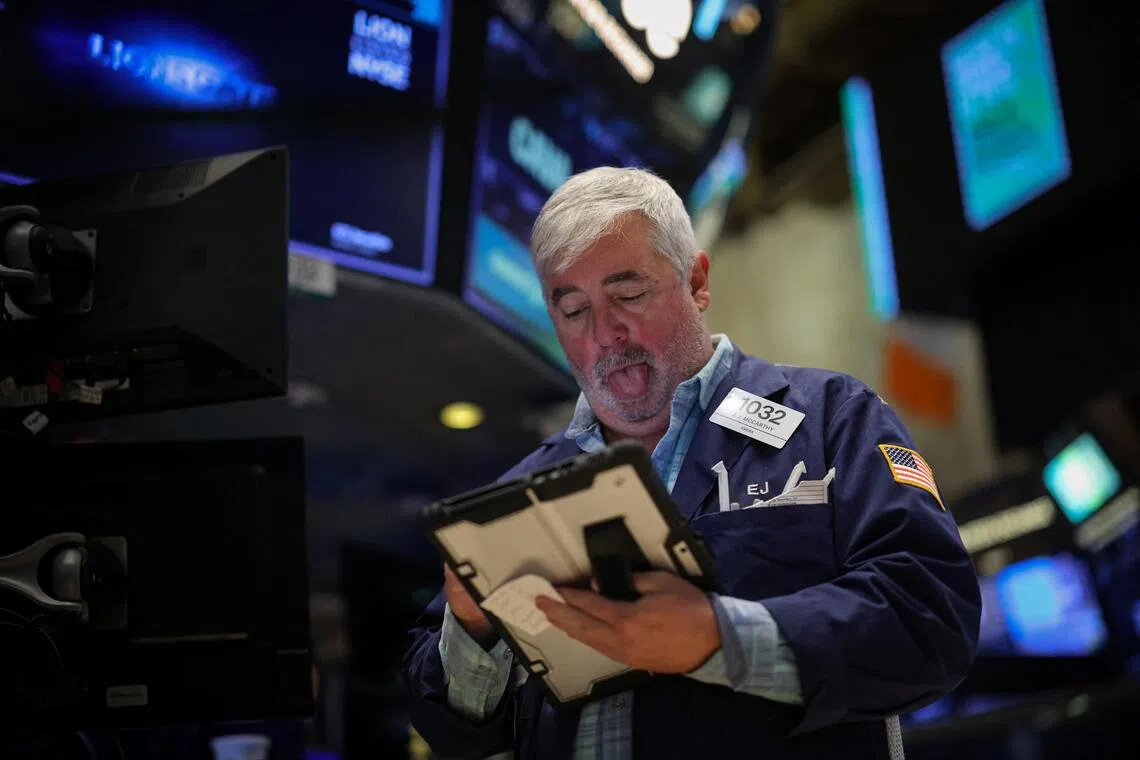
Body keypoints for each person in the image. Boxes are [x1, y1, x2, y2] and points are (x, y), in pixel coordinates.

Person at [404, 167, 981, 759]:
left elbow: (932, 617)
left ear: (697, 282)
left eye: (628, 294)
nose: (605, 333)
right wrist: (472, 627)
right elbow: (449, 730)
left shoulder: (831, 420)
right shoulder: (519, 493)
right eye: (573, 311)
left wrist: (718, 637)